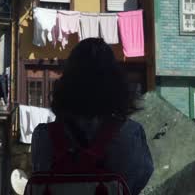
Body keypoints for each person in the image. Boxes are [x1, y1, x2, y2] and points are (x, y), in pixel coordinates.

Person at [31, 38, 154, 195]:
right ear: (115, 83)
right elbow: (139, 179)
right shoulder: (131, 134)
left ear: (67, 81)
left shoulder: (43, 137)